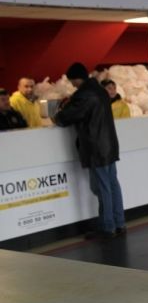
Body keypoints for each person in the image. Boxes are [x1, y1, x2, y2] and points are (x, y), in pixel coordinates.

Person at [53, 62, 126, 239]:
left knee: (102, 187)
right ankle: (119, 223)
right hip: (109, 145)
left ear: (77, 79)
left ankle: (107, 227)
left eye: (72, 81)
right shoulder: (100, 90)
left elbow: (65, 117)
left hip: (96, 148)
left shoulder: (84, 95)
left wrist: (57, 114)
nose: (72, 85)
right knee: (112, 185)